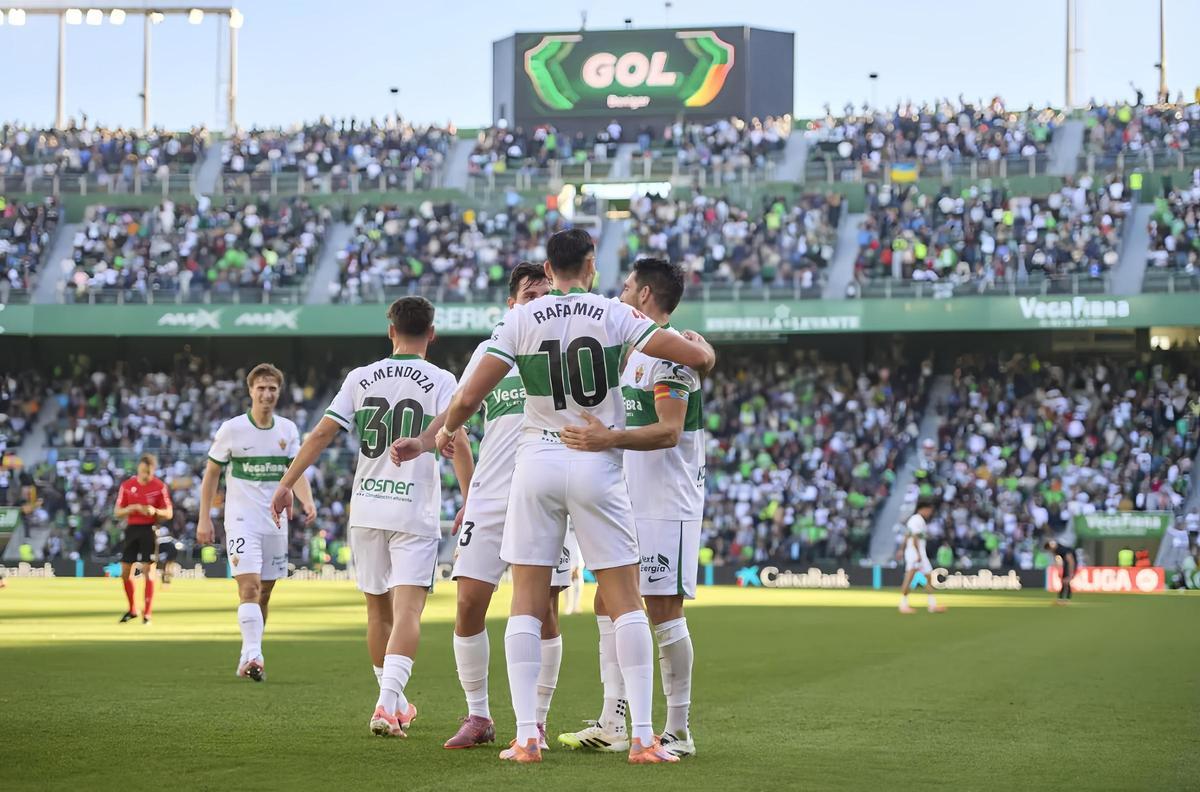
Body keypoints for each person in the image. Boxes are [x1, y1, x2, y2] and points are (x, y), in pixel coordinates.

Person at [398, 228, 715, 763]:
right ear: (591, 264)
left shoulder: (520, 318)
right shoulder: (613, 314)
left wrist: (445, 431)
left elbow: (471, 394)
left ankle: (526, 738)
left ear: (548, 269)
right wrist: (704, 351)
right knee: (623, 598)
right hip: (595, 459)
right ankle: (643, 737)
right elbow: (691, 356)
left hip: (537, 462)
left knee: (524, 601)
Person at [271, 297, 473, 737]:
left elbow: (323, 432)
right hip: (413, 508)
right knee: (408, 612)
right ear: (432, 334)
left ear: (390, 331)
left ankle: (395, 703)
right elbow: (455, 438)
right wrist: (469, 496)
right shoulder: (441, 379)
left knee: (376, 610)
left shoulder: (361, 377)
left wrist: (286, 483)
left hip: (366, 506)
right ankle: (385, 705)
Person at [556, 257, 707, 758]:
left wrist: (607, 439)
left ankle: (679, 727)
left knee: (663, 612)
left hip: (668, 504)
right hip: (628, 500)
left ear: (645, 296)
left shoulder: (671, 358)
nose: (619, 294)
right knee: (607, 601)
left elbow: (669, 431)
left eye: (625, 287)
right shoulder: (632, 352)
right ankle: (613, 718)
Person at [438, 262, 576, 752]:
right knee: (469, 602)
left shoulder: (566, 343)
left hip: (546, 491)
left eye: (545, 292)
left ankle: (535, 720)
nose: (538, 300)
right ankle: (479, 715)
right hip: (491, 495)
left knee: (545, 611)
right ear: (511, 303)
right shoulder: (492, 348)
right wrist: (461, 478)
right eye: (528, 293)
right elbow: (460, 406)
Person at [197, 363, 316, 682]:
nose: (266, 393)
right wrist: (204, 518)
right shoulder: (232, 429)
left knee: (264, 592)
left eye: (272, 388)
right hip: (241, 520)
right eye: (261, 388)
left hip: (276, 523)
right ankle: (255, 655)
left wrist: (307, 500)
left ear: (279, 392)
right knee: (248, 588)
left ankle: (249, 652)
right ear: (250, 391)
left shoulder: (288, 430)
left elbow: (295, 470)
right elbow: (212, 474)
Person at [114, 453, 173, 625]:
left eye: (148, 472)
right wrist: (132, 508)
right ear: (138, 469)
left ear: (152, 471)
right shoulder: (127, 486)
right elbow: (117, 512)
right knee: (125, 571)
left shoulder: (159, 486)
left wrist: (155, 511)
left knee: (149, 570)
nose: (145, 475)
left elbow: (169, 512)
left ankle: (147, 614)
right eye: (142, 471)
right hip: (132, 529)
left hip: (150, 529)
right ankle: (132, 609)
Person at [899, 496, 945, 614]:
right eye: (930, 510)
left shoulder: (917, 520)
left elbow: (907, 535)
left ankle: (932, 604)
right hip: (915, 553)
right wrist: (918, 554)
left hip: (918, 553)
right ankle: (903, 604)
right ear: (925, 509)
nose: (930, 513)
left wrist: (901, 549)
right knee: (909, 578)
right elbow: (914, 537)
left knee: (929, 577)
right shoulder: (916, 519)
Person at [1045, 538, 1077, 604]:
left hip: (1071, 564)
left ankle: (1065, 598)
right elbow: (1057, 559)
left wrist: (1071, 573)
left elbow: (1071, 560)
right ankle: (1063, 598)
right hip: (1067, 563)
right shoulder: (1057, 549)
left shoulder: (1061, 549)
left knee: (1066, 581)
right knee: (1064, 581)